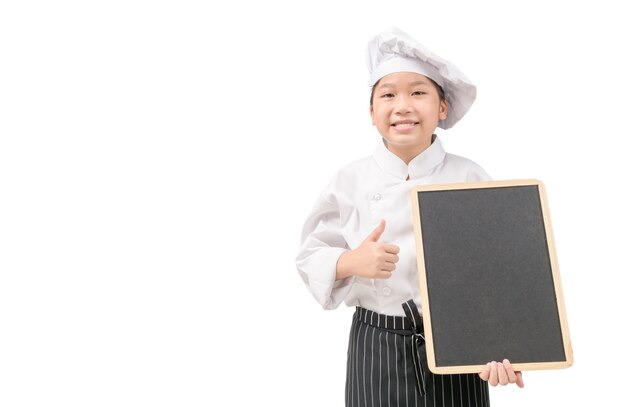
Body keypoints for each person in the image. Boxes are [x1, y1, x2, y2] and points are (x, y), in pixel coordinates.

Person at [296, 27, 524, 406]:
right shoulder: (350, 179)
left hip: (459, 346)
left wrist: (507, 347)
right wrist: (351, 260)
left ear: (442, 107)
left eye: (418, 92)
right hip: (376, 343)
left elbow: (501, 274)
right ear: (371, 112)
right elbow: (309, 256)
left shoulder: (469, 177)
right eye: (388, 94)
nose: (402, 106)